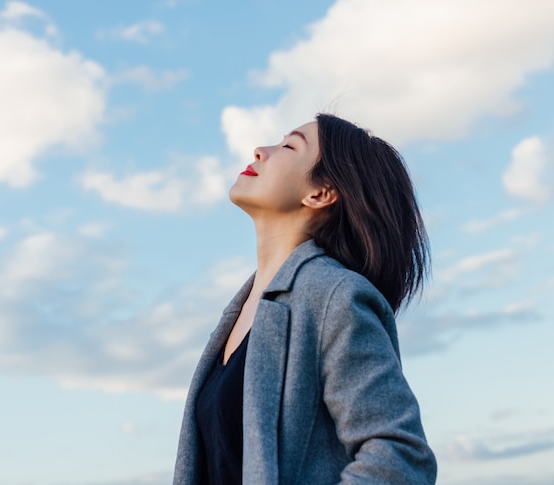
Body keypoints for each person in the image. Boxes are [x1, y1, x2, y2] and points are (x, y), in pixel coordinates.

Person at [173, 113, 437, 484]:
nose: (260, 151)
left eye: (288, 146)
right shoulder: (242, 310)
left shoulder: (334, 296)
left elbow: (400, 454)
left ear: (320, 193)